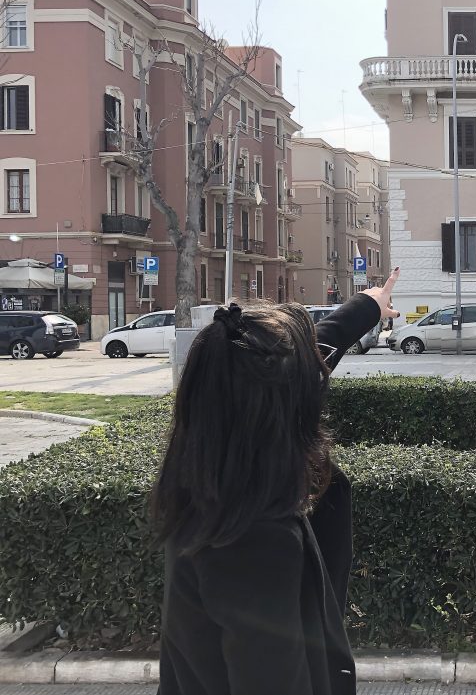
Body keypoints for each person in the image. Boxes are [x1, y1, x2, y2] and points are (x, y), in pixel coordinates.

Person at [152, 269, 401, 695]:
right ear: (278, 410)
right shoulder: (254, 541)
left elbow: (277, 368)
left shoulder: (209, 483)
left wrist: (366, 308)